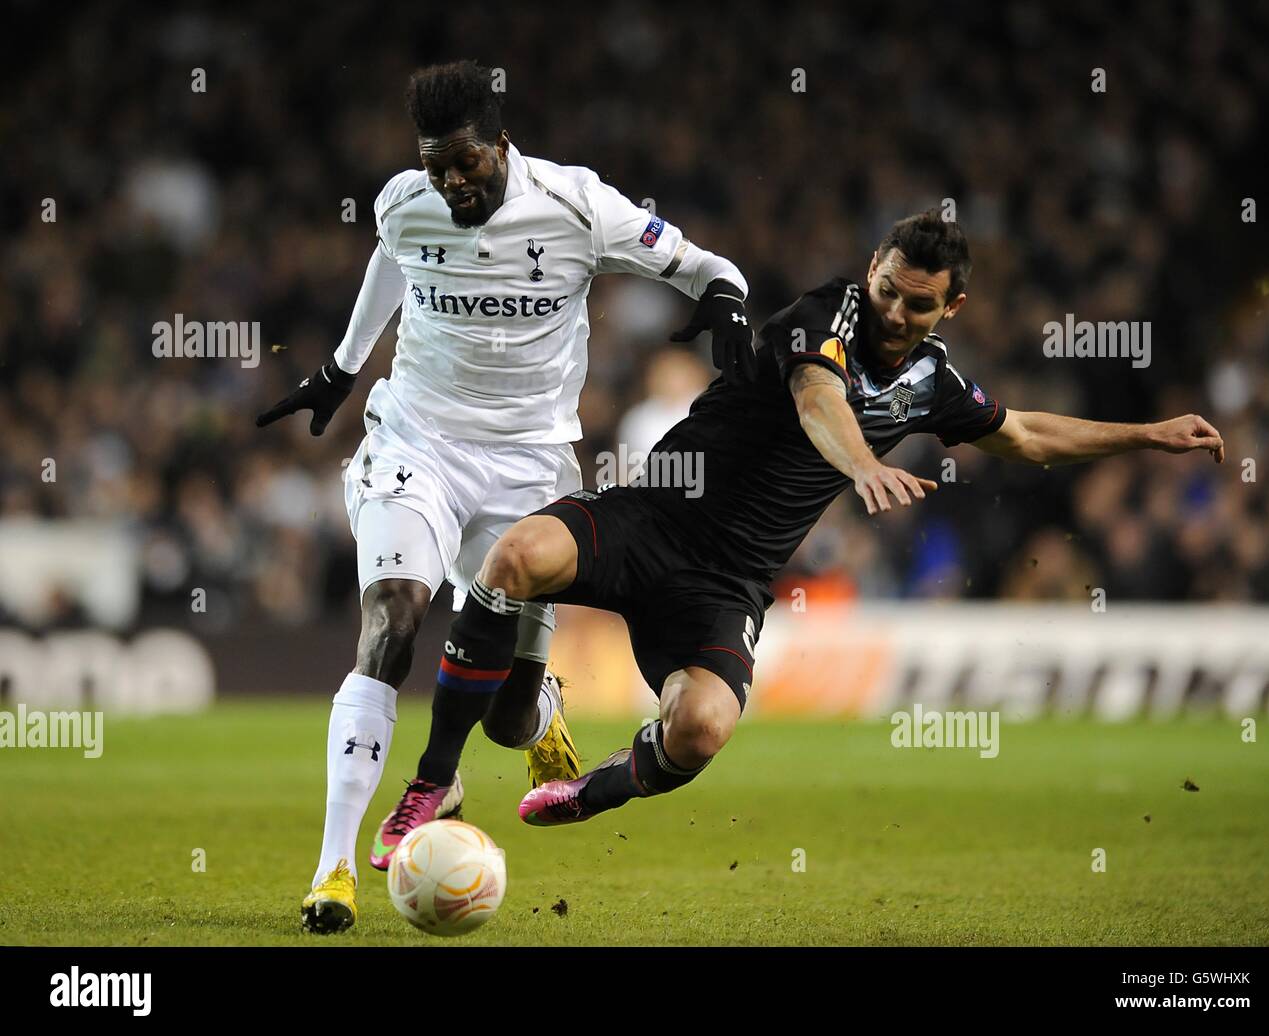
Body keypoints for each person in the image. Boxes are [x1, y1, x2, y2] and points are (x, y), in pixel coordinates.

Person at [417, 208, 1226, 829]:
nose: (895, 315)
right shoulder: (821, 315)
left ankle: (591, 792)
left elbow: (1024, 434)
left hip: (725, 584)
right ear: (871, 270)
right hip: (649, 520)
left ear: (953, 306)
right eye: (887, 291)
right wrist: (865, 464)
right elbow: (817, 397)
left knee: (700, 728)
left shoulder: (932, 382)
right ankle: (434, 781)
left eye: (918, 305)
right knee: (517, 555)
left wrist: (1147, 436)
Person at [256, 59, 756, 933]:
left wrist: (726, 301)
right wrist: (340, 370)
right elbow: (392, 259)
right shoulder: (405, 200)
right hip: (417, 444)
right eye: (435, 165)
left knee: (511, 715)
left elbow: (703, 263)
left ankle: (537, 699)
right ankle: (333, 869)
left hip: (531, 468)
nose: (450, 184)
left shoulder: (576, 206)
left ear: (502, 146)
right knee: (393, 619)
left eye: (466, 164)